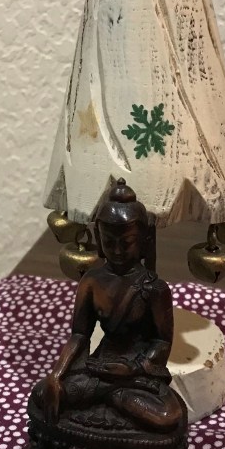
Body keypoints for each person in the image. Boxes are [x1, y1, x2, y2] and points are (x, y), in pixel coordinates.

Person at [35, 178, 182, 433]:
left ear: (144, 240)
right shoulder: (92, 281)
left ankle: (110, 398)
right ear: (98, 239)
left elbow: (162, 341)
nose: (117, 250)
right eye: (109, 241)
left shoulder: (153, 288)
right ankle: (111, 398)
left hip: (136, 374)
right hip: (100, 368)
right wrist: (56, 375)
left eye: (126, 242)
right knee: (42, 393)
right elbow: (80, 335)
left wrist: (133, 368)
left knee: (167, 416)